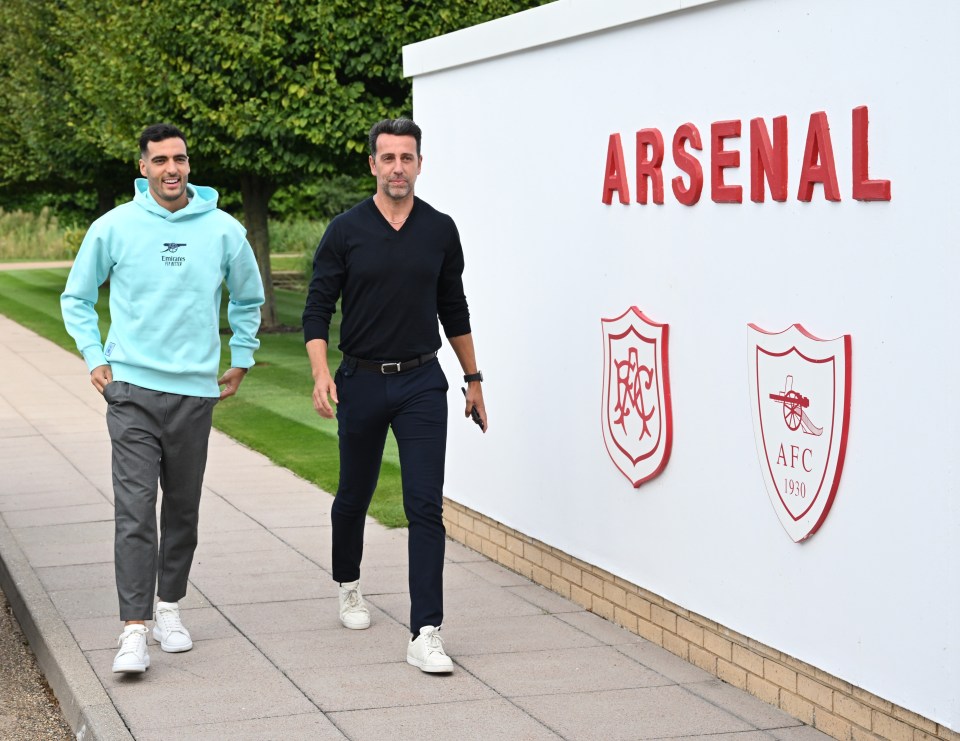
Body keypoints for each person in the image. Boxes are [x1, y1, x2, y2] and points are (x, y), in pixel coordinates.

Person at [61, 123, 264, 674]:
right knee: (133, 513)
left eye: (179, 159)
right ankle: (133, 629)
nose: (171, 168)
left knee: (182, 510)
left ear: (188, 165)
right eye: (160, 160)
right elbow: (76, 297)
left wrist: (242, 354)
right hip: (130, 390)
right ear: (144, 167)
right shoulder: (114, 227)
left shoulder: (224, 230)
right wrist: (94, 356)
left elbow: (248, 298)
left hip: (195, 392)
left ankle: (169, 606)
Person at [302, 117, 487, 674]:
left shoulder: (440, 229)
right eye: (388, 158)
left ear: (420, 164)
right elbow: (316, 308)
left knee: (425, 505)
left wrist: (474, 380)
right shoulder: (345, 230)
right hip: (360, 379)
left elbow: (453, 308)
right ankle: (349, 584)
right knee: (353, 495)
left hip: (421, 383)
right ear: (373, 165)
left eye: (407, 158)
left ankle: (426, 630)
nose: (398, 168)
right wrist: (319, 373)